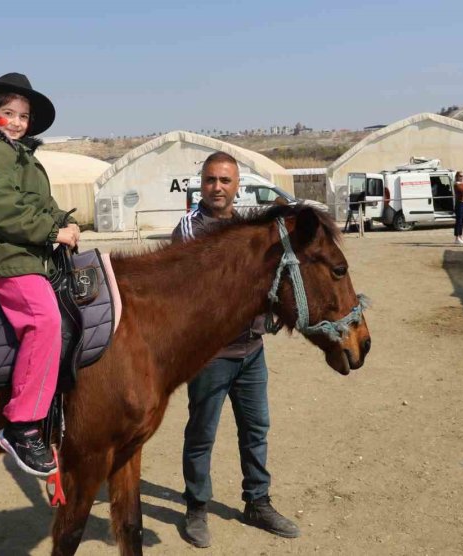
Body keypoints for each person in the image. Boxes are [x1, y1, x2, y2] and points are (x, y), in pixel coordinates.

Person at [172, 151, 300, 548]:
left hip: (251, 350)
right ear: (201, 183)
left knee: (256, 430)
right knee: (202, 434)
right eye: (211, 180)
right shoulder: (189, 229)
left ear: (237, 185)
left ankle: (257, 501)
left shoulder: (250, 225)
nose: (217, 188)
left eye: (225, 181)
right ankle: (196, 507)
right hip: (209, 356)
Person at [0, 73, 80, 476]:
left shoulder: (20, 154)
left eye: (23, 115)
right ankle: (22, 425)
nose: (18, 121)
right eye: (8, 112)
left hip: (23, 251)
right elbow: (6, 210)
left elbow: (39, 203)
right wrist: (50, 232)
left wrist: (65, 221)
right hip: (1, 254)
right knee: (44, 319)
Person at [453, 172, 463, 245]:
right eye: (460, 176)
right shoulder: (457, 184)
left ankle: (461, 235)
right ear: (457, 176)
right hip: (460, 203)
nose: (462, 177)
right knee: (458, 221)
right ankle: (456, 238)